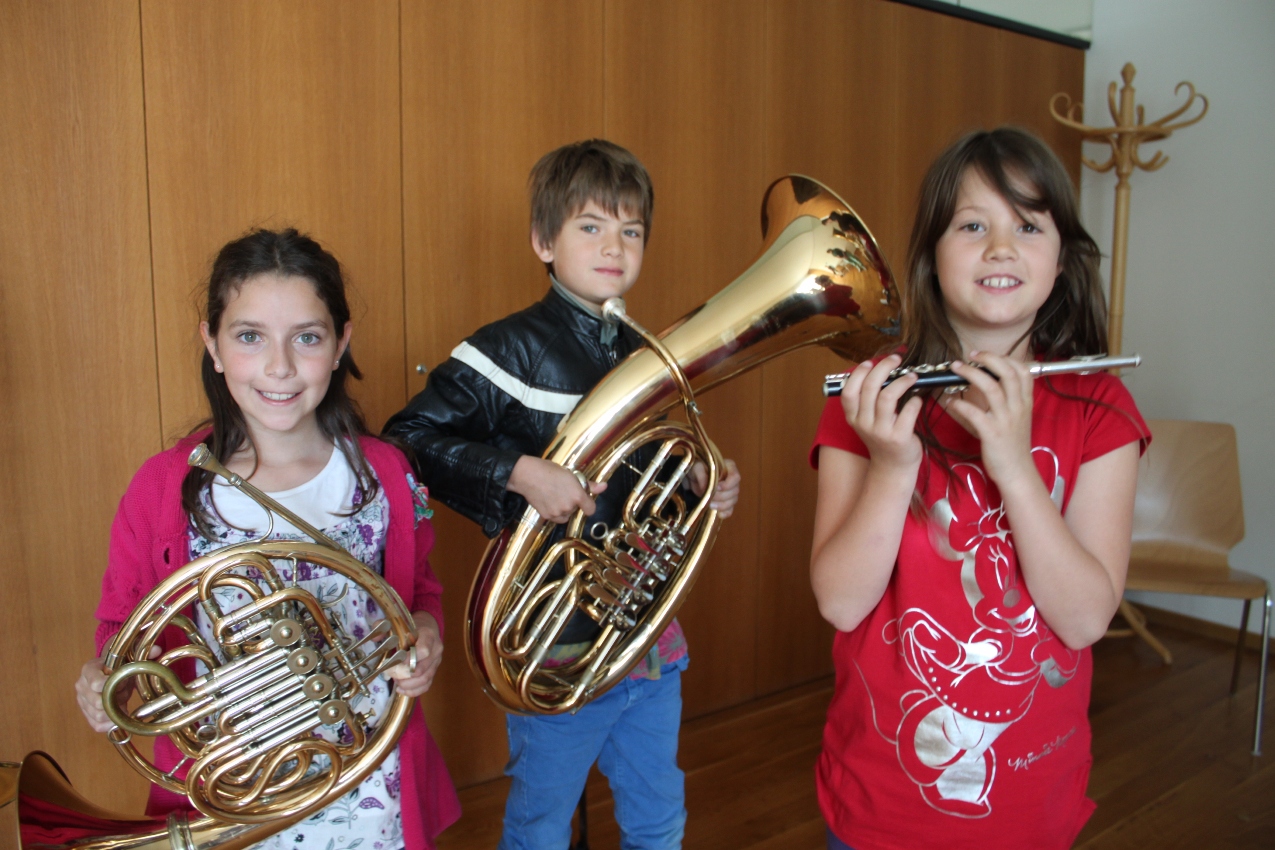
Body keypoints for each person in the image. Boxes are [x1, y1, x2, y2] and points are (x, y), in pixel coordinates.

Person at [384, 138, 741, 850]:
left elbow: (655, 468)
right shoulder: (506, 349)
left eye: (631, 231)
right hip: (552, 644)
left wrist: (703, 481)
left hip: (648, 635)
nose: (614, 246)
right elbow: (405, 442)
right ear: (543, 242)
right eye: (591, 226)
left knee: (659, 816)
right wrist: (519, 472)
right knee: (541, 825)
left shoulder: (648, 353)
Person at [808, 127, 1149, 850]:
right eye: (971, 226)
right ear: (931, 255)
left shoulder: (1101, 408)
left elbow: (1085, 620)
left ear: (1061, 260)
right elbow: (839, 603)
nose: (1000, 247)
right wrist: (891, 466)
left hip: (1029, 806)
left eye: (1028, 226)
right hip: (877, 800)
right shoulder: (871, 399)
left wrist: (1015, 468)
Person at [74, 228, 461, 850]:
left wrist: (426, 634)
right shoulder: (164, 487)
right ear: (213, 344)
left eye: (307, 337)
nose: (279, 367)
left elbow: (420, 594)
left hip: (368, 787)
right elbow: (121, 628)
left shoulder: (386, 474)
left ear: (340, 344)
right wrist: (103, 680)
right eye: (250, 337)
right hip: (232, 795)